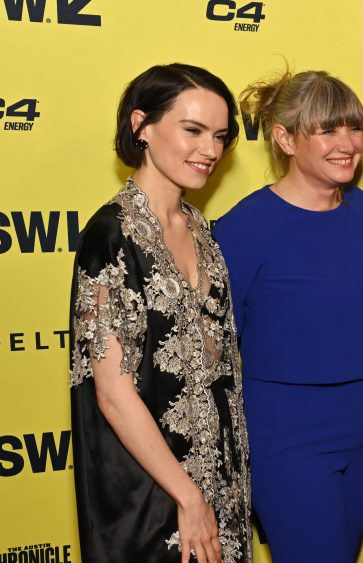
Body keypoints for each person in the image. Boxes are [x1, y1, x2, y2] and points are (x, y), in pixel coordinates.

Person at [69, 63, 250, 563]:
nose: (210, 150)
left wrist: (213, 491)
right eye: (192, 130)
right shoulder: (112, 234)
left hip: (220, 483)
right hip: (148, 494)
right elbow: (113, 392)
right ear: (141, 126)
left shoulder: (200, 230)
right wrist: (187, 497)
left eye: (219, 135)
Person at [213, 70, 363, 563]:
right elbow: (217, 353)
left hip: (362, 424)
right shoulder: (243, 229)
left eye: (354, 127)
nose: (348, 143)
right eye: (328, 130)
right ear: (285, 138)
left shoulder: (361, 209)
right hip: (286, 432)